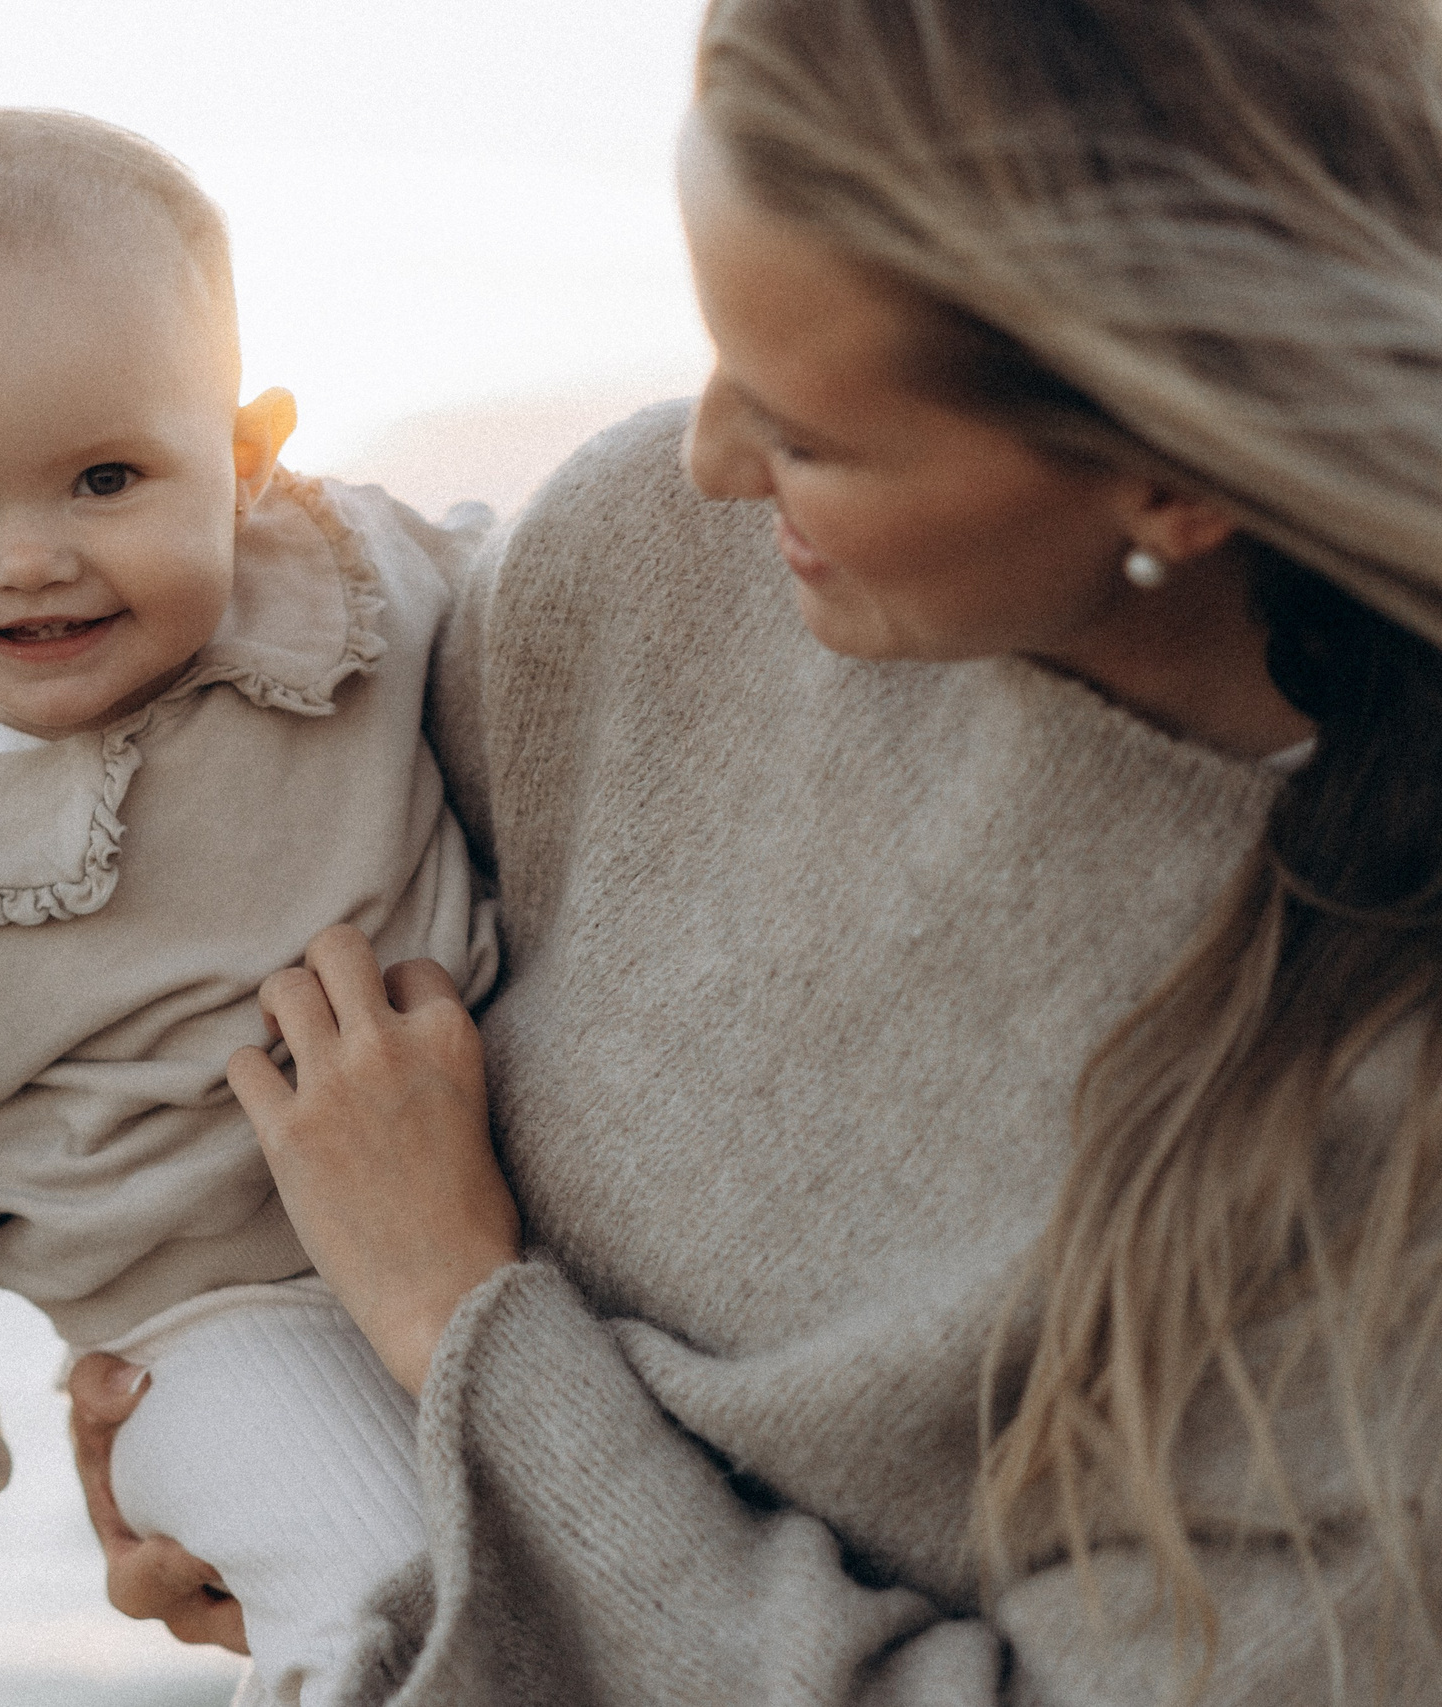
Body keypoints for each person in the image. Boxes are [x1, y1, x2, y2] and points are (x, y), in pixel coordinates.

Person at [71, 0, 1442, 1700]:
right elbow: (202, 947)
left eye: (807, 432)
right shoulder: (639, 569)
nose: (710, 461)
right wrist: (222, 1414)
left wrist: (456, 1338)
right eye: (716, 353)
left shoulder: (1392, 1131)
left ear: (1172, 477)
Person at [0, 109, 498, 1704]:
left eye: (102, 478)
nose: (29, 559)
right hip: (213, 1326)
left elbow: (551, 601)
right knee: (382, 1587)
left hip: (486, 1200)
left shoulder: (350, 588)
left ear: (243, 459)